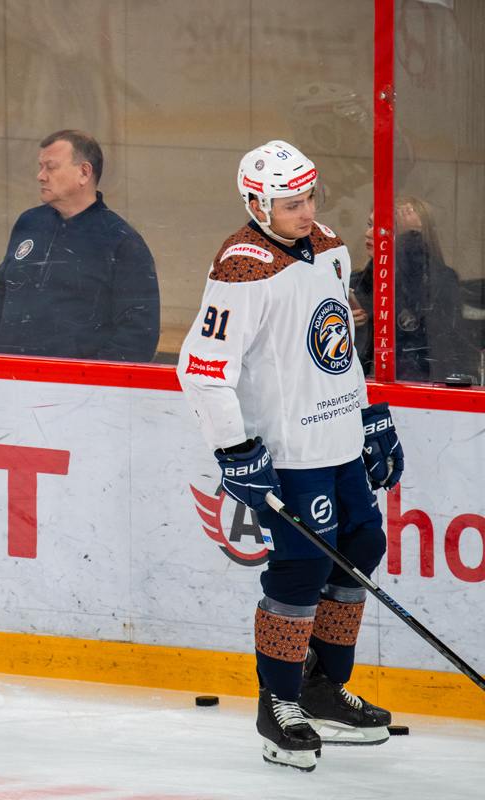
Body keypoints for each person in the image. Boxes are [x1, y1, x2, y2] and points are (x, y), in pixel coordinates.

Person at [176, 141, 404, 772]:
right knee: (302, 567)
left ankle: (324, 687)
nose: (306, 212)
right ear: (257, 205)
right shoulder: (241, 268)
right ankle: (278, 702)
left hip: (338, 440)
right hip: (290, 451)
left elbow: (338, 344)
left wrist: (367, 415)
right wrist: (235, 449)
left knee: (361, 545)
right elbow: (201, 369)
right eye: (290, 203)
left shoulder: (330, 246)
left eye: (309, 197)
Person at [0, 130, 159, 361]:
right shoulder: (30, 221)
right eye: (40, 167)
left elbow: (139, 333)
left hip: (71, 381)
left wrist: (89, 377)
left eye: (51, 167)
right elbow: (0, 289)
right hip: (5, 371)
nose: (40, 176)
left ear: (84, 172)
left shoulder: (121, 241)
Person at [351, 196, 470, 382]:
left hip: (420, 385)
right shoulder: (359, 280)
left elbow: (415, 319)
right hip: (367, 384)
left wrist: (411, 243)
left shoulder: (443, 280)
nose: (368, 234)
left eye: (384, 229)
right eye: (370, 225)